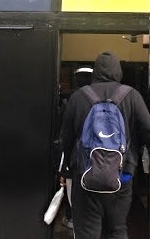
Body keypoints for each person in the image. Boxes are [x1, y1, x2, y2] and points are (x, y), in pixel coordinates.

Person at [59, 51, 150, 239]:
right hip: (121, 176)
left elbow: (66, 139)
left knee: (87, 232)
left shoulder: (78, 97)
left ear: (95, 73)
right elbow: (149, 132)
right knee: (117, 229)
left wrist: (65, 170)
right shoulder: (132, 96)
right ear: (118, 72)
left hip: (85, 175)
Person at [60, 65, 94, 231]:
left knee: (73, 193)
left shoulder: (71, 99)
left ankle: (72, 218)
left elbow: (66, 135)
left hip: (75, 155)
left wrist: (64, 168)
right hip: (97, 157)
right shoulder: (99, 99)